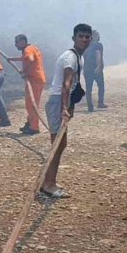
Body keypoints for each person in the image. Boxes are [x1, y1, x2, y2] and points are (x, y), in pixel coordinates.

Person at [42, 24, 92, 199]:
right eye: (81, 36)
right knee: (57, 144)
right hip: (57, 102)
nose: (84, 39)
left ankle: (48, 180)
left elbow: (72, 87)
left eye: (87, 37)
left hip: (63, 101)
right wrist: (64, 108)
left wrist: (70, 106)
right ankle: (48, 184)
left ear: (91, 39)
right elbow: (66, 84)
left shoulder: (79, 57)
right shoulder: (70, 58)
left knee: (61, 144)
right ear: (73, 38)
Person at [6, 34, 46, 134]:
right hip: (36, 79)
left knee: (32, 105)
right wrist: (13, 59)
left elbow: (30, 59)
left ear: (23, 41)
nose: (15, 45)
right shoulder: (31, 48)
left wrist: (25, 72)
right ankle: (29, 124)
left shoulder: (28, 50)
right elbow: (25, 58)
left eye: (17, 42)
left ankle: (34, 128)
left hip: (34, 80)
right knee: (30, 104)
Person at [83, 30, 107, 111]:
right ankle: (100, 103)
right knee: (101, 86)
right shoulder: (98, 45)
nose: (99, 36)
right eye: (98, 35)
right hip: (96, 69)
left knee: (88, 88)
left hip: (86, 70)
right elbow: (98, 55)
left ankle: (90, 106)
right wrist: (99, 66)